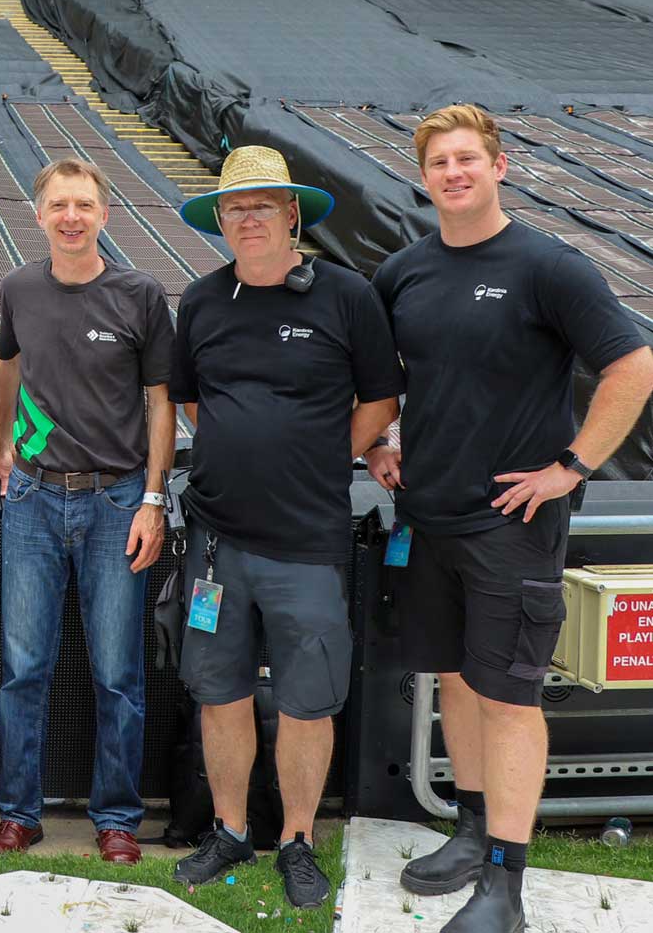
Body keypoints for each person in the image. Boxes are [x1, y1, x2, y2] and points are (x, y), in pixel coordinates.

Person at [370, 105, 653, 933]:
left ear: (500, 167)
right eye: (438, 163)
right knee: (456, 679)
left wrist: (571, 466)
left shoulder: (547, 266)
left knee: (508, 695)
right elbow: (382, 374)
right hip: (429, 515)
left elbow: (633, 365)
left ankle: (505, 882)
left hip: (511, 524)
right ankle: (469, 825)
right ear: (423, 178)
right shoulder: (406, 272)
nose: (453, 173)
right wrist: (381, 440)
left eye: (467, 159)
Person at [167, 145, 403, 909]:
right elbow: (193, 402)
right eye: (234, 209)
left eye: (262, 206)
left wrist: (316, 456)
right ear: (221, 221)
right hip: (215, 540)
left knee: (308, 699)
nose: (247, 219)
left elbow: (381, 400)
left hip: (308, 540)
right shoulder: (201, 301)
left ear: (292, 213)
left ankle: (297, 839)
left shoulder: (346, 295)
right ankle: (231, 829)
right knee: (220, 692)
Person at [0, 158, 175, 863]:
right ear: (38, 214)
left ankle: (117, 816)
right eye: (58, 205)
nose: (71, 216)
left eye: (83, 205)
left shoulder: (140, 294)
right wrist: (3, 441)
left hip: (117, 498)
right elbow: (7, 364)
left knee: (117, 670)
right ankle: (18, 814)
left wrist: (153, 498)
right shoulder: (21, 287)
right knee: (23, 666)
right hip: (32, 498)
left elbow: (162, 403)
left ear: (103, 214)